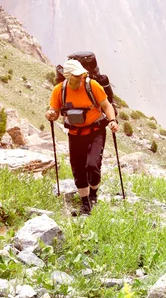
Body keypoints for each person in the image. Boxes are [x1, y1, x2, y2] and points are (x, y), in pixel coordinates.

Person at [45, 59, 119, 215]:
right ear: (67, 76)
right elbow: (54, 110)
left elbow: (106, 106)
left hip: (96, 131)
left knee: (93, 165)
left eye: (82, 75)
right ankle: (85, 203)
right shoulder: (60, 90)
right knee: (78, 169)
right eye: (76, 76)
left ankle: (93, 193)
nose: (80, 78)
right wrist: (50, 114)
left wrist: (112, 120)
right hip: (75, 134)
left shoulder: (92, 86)